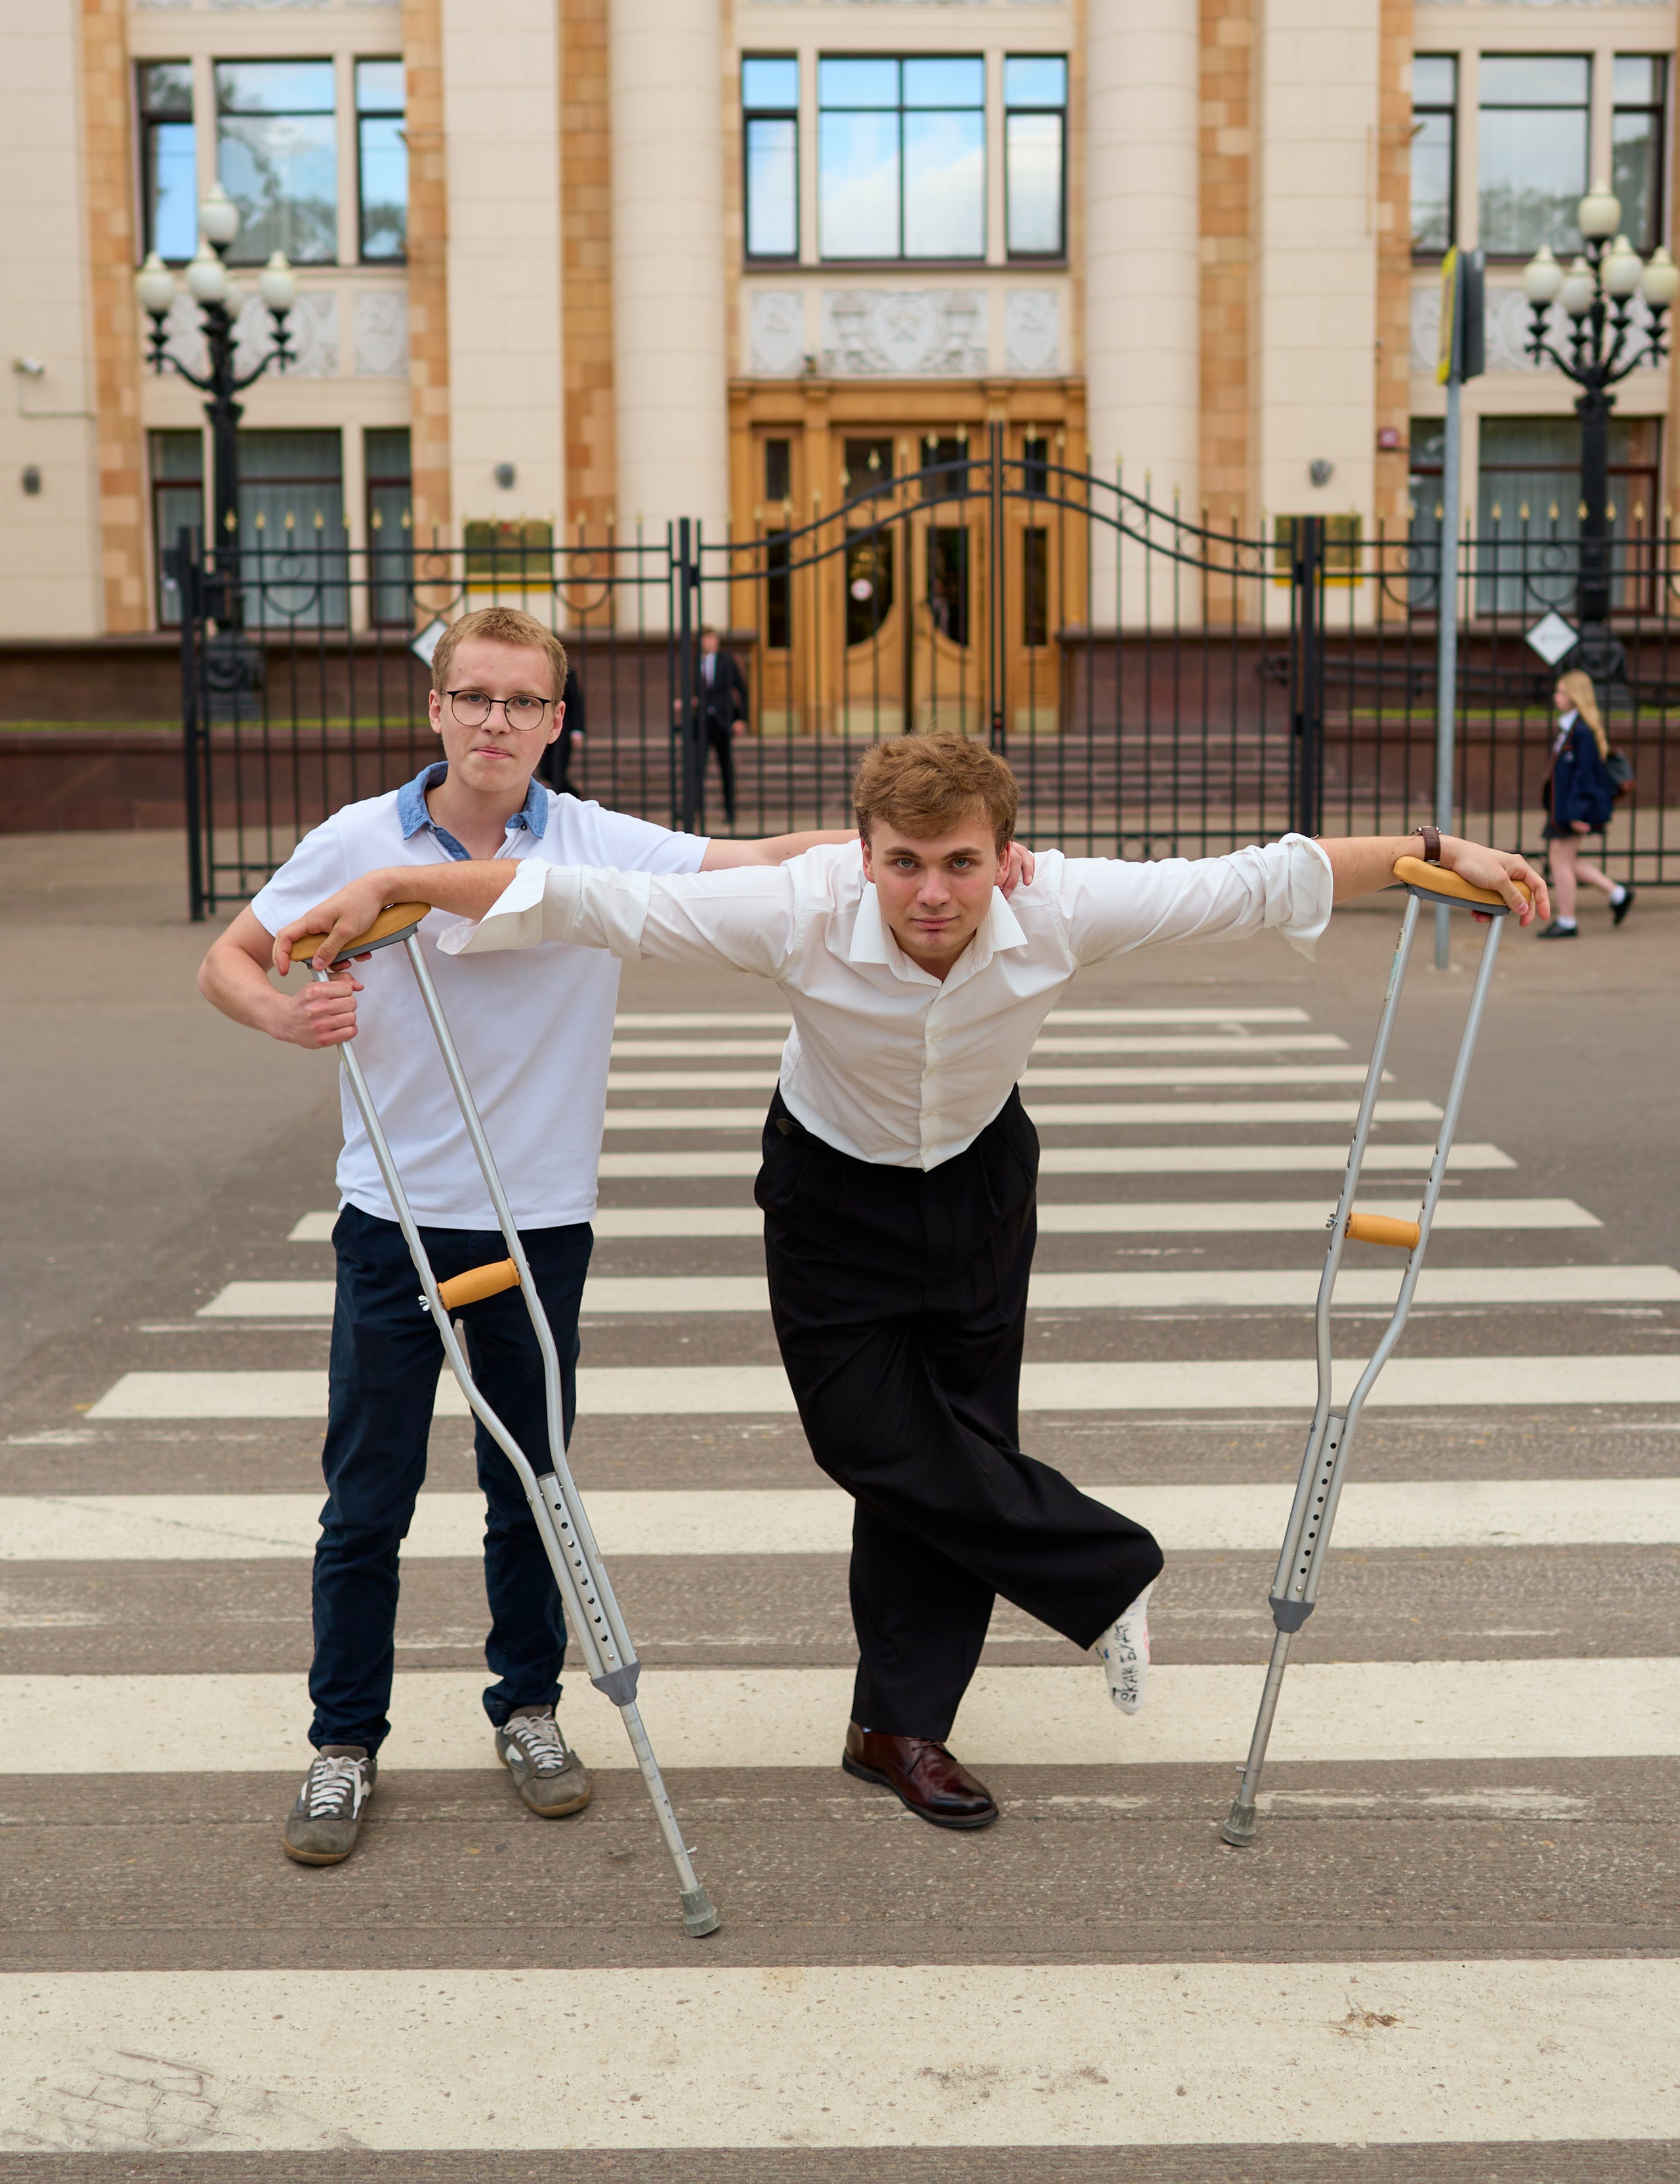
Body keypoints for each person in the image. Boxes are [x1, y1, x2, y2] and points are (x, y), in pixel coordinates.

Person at [274, 736, 1548, 1836]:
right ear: (863, 853)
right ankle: (1105, 1569)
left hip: (979, 1185)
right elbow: (574, 900)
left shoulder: (1062, 908)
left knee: (950, 1453)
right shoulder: (796, 907)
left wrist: (1448, 852)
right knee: (867, 1436)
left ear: (1005, 857)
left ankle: (899, 1729)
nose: (930, 894)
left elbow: (1261, 880)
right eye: (903, 862)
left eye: (958, 863)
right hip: (832, 1197)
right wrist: (397, 878)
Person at [200, 603, 849, 1867]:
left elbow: (762, 861)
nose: (497, 721)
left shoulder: (595, 844)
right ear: (436, 709)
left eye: (524, 703)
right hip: (392, 1219)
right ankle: (344, 1741)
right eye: (475, 697)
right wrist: (281, 1019)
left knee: (533, 1487)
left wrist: (919, 844)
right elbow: (233, 955)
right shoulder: (356, 838)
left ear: (557, 724)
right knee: (365, 1499)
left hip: (538, 1219)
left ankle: (531, 1709)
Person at [1538, 667, 1633, 938]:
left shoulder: (1581, 732)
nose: (1556, 697)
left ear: (1576, 697)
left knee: (1560, 860)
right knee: (1564, 861)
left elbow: (1586, 777)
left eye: (1562, 693)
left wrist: (1578, 813)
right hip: (1564, 809)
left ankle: (1567, 921)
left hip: (1571, 810)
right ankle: (1618, 893)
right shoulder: (1569, 729)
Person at [693, 625, 748, 826]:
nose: (712, 642)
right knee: (697, 768)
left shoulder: (727, 661)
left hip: (723, 722)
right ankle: (694, 810)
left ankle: (730, 811)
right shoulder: (693, 662)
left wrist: (741, 718)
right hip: (701, 724)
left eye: (714, 638)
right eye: (708, 638)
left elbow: (741, 690)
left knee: (726, 768)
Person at [536, 666, 586, 798]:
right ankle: (572, 793)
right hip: (541, 725)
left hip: (564, 728)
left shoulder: (567, 672)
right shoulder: (537, 670)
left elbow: (575, 702)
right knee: (545, 767)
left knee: (559, 765)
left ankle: (558, 796)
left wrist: (577, 731)